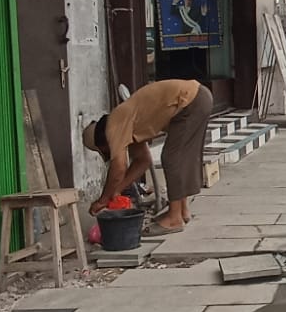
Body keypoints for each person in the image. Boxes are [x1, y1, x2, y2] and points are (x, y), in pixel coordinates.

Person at [82, 78, 213, 235]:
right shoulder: (126, 124)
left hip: (191, 101)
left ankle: (174, 219)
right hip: (197, 97)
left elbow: (119, 168)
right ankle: (182, 212)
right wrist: (116, 191)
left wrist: (103, 200)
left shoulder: (114, 125)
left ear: (102, 144)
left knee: (172, 158)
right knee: (180, 158)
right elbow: (142, 161)